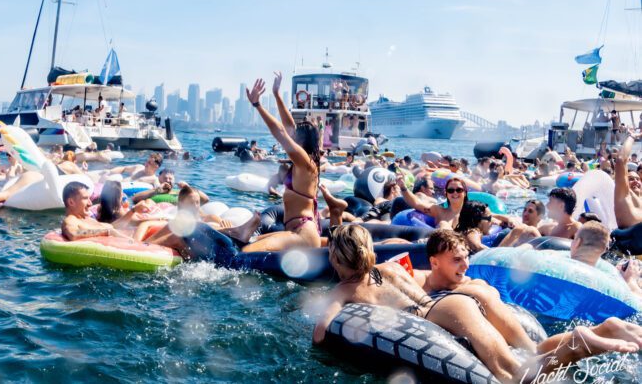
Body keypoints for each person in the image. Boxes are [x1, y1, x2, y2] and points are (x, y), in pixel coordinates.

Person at [312, 225, 642, 384]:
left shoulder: (344, 290)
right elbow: (414, 284)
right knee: (529, 353)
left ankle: (584, 342)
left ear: (336, 257)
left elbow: (320, 334)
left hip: (443, 313)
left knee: (511, 376)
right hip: (450, 306)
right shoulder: (390, 269)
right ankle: (601, 330)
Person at [240, 73, 322, 252]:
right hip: (293, 231)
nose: (291, 136)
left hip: (303, 235)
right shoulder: (302, 161)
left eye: (295, 137)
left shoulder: (306, 163)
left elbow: (283, 133)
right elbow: (288, 127)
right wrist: (276, 94)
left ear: (302, 141)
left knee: (247, 252)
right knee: (247, 241)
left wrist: (258, 105)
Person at [61, 181, 133, 240]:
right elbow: (73, 234)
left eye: (89, 198)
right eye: (85, 198)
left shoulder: (86, 219)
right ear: (71, 202)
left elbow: (111, 227)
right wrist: (107, 232)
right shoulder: (71, 220)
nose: (90, 203)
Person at [395, 174, 470, 228]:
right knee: (443, 224)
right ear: (446, 194)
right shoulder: (439, 211)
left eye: (459, 190)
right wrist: (403, 187)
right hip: (441, 246)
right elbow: (416, 203)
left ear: (465, 193)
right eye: (451, 190)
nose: (455, 193)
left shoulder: (471, 212)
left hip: (463, 247)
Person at [614, 136, 642, 228]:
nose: (636, 181)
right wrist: (632, 136)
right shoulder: (624, 197)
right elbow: (621, 160)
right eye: (631, 179)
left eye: (637, 179)